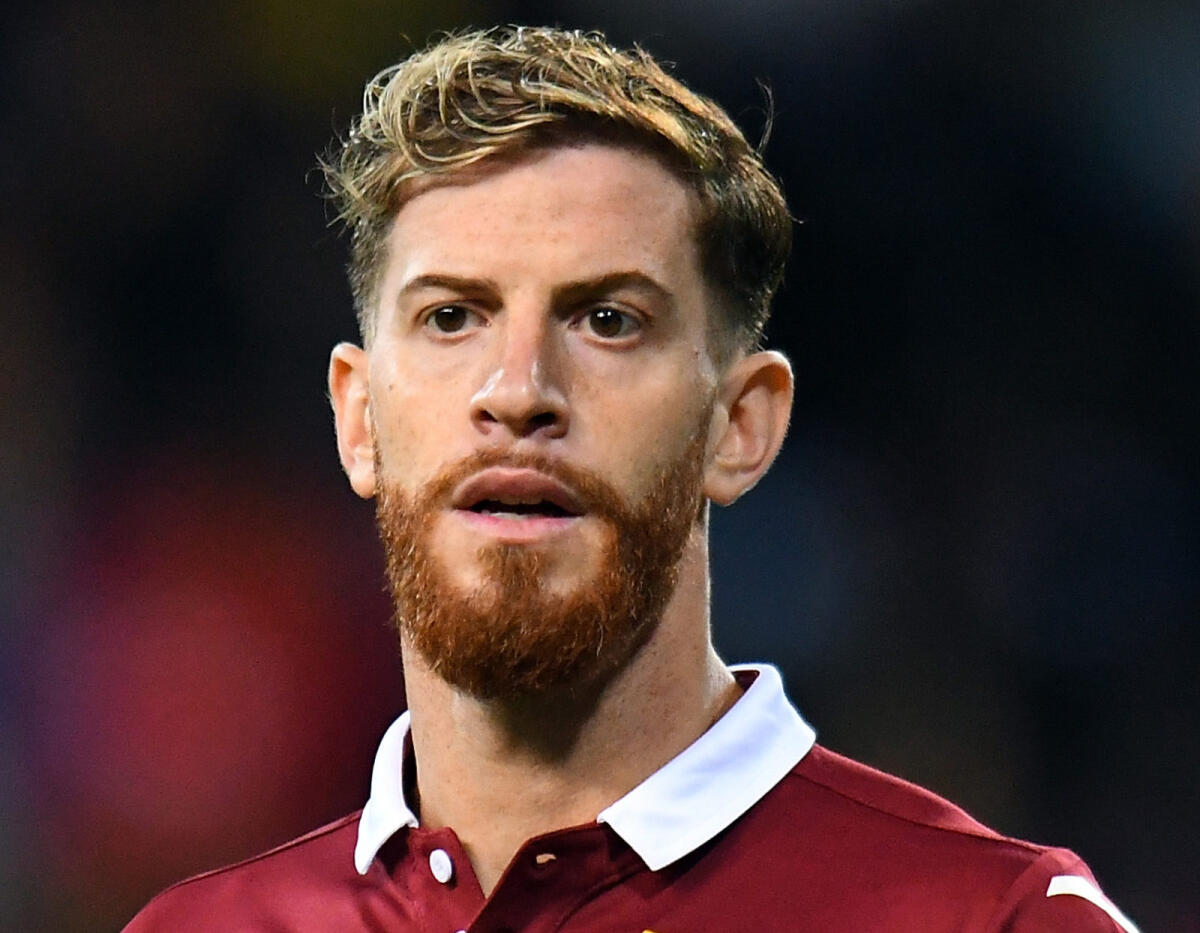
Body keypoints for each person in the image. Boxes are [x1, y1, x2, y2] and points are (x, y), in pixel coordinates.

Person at [124, 25, 1139, 932]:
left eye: (608, 319)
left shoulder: (983, 920)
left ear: (739, 427)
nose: (518, 391)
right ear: (358, 419)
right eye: (450, 317)